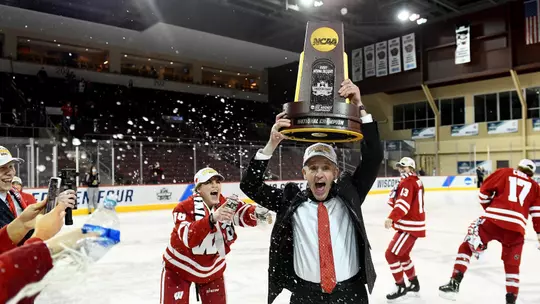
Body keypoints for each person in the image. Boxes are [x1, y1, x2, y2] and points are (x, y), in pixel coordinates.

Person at [240, 79, 383, 304]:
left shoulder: (351, 193)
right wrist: (271, 145)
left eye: (326, 168)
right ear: (304, 172)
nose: (319, 174)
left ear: (335, 173)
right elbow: (250, 186)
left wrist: (360, 107)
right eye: (313, 168)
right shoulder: (290, 200)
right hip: (305, 296)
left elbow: (373, 157)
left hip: (350, 294)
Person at [160, 167, 271, 304]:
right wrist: (211, 219)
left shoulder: (225, 203)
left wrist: (256, 213)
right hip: (179, 268)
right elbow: (188, 237)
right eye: (208, 182)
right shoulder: (184, 208)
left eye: (217, 181)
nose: (215, 185)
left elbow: (242, 212)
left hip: (212, 271)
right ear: (199, 189)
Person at [439, 159, 540, 304]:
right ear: (532, 173)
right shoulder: (535, 186)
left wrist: (489, 208)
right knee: (512, 266)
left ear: (519, 167)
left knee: (467, 245)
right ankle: (511, 300)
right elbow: (537, 213)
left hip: (493, 221)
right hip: (516, 229)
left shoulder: (505, 172)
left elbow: (483, 192)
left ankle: (454, 283)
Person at [0, 146, 75, 244]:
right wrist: (41, 235)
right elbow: (5, 252)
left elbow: (22, 224)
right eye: (2, 167)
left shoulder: (13, 194)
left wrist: (50, 206)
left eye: (11, 166)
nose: (10, 172)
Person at [384, 157, 425, 301]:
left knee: (390, 254)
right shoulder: (414, 180)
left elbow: (403, 204)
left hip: (409, 226)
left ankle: (400, 286)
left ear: (411, 169)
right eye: (400, 167)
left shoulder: (408, 182)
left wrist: (391, 217)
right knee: (403, 256)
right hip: (413, 225)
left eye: (404, 167)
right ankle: (414, 283)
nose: (401, 170)